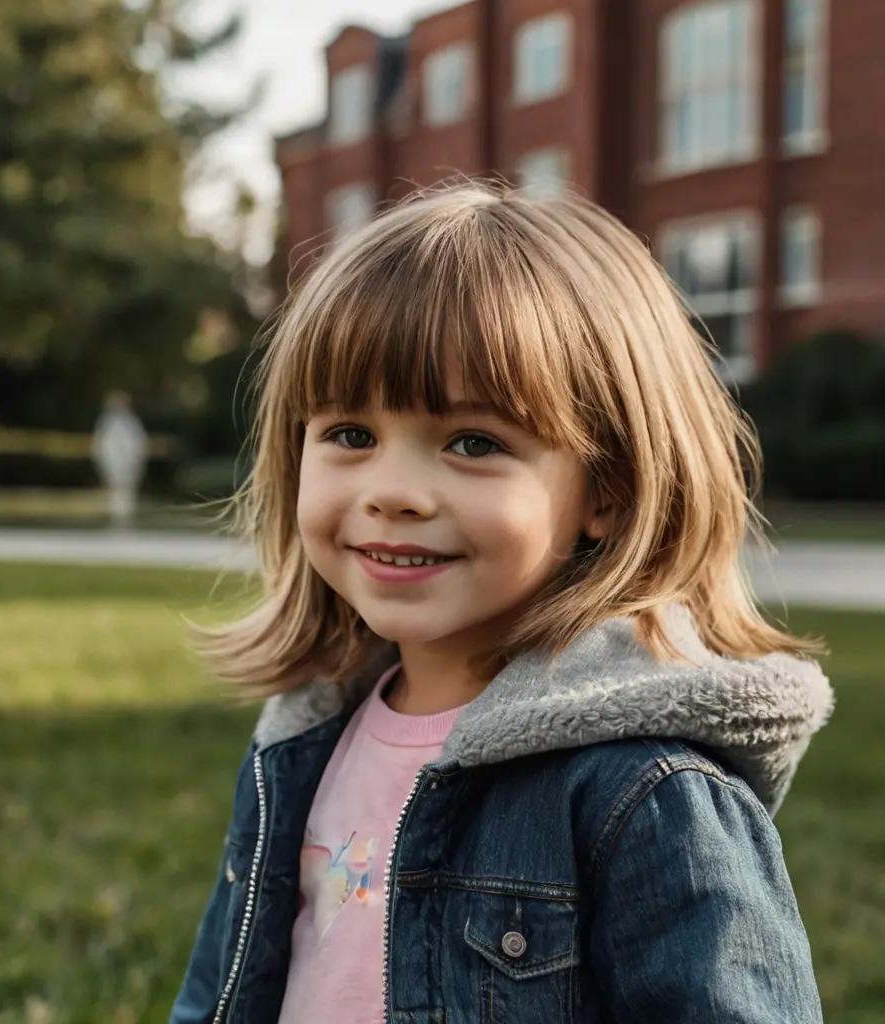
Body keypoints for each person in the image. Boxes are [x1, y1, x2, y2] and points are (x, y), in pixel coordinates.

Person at [169, 184, 834, 1024]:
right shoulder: (301, 742)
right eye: (351, 435)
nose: (395, 492)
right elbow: (219, 993)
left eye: (474, 443)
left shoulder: (646, 795)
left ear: (610, 492)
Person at [91, 390, 148, 528]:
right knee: (114, 493)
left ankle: (127, 520)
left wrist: (136, 461)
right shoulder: (106, 422)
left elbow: (138, 444)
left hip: (129, 464)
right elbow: (101, 445)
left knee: (127, 494)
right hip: (112, 464)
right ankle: (115, 520)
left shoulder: (132, 421)